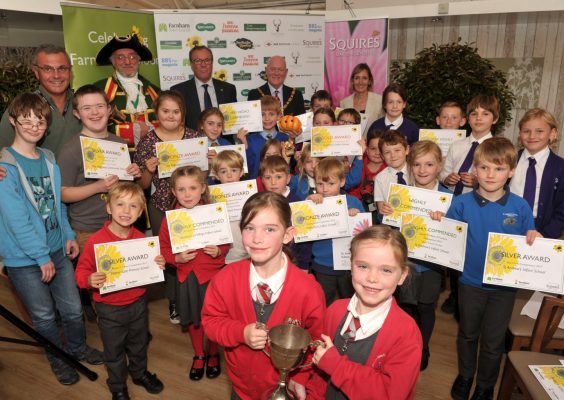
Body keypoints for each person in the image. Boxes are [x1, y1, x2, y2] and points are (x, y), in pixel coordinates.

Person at [0, 92, 102, 386]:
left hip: (57, 248)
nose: (34, 126)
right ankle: (59, 358)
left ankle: (78, 348)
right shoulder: (6, 168)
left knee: (71, 309)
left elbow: (57, 203)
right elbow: (15, 218)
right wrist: (41, 256)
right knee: (44, 317)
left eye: (40, 121)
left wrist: (69, 235)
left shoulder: (48, 158)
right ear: (13, 122)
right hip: (26, 257)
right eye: (26, 121)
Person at [433, 137, 540, 400]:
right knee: (467, 334)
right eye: (484, 168)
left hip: (504, 288)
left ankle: (485, 384)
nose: (490, 174)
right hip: (469, 283)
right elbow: (447, 241)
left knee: (493, 342)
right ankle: (466, 375)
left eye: (499, 168)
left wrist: (534, 238)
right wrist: (437, 222)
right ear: (474, 170)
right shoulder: (460, 204)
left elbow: (529, 239)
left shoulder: (520, 206)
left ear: (511, 171)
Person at [202, 191, 326, 399]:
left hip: (286, 389)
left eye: (269, 229)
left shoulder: (308, 290)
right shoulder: (225, 279)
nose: (257, 238)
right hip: (241, 386)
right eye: (249, 228)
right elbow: (211, 322)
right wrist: (241, 333)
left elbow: (316, 341)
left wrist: (301, 378)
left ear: (287, 235)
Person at [307, 225, 422, 399]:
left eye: (386, 270)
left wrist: (337, 366)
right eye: (363, 266)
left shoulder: (406, 333)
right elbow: (319, 369)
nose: (372, 278)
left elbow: (390, 394)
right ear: (351, 266)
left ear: (402, 275)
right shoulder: (335, 310)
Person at [75, 182, 165, 400]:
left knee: (139, 343)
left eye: (133, 206)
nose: (126, 211)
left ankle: (139, 373)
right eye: (120, 204)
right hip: (109, 308)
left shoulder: (143, 241)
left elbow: (150, 268)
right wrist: (88, 279)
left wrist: (158, 263)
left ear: (141, 212)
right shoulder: (96, 241)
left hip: (138, 303)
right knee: (113, 351)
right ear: (109, 208)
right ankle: (117, 385)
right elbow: (81, 272)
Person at [133, 90, 198, 324]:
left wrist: (208, 161)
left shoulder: (193, 136)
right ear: (157, 113)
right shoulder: (149, 142)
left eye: (176, 111)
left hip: (191, 207)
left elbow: (202, 177)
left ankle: (193, 296)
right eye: (165, 111)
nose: (171, 116)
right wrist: (148, 170)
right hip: (162, 207)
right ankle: (174, 300)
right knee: (170, 256)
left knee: (193, 253)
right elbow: (141, 185)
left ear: (183, 114)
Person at [159, 166, 229, 381]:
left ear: (203, 188)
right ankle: (199, 354)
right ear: (173, 192)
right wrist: (175, 259)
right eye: (181, 189)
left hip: (212, 276)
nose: (187, 194)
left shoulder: (214, 213)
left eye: (192, 188)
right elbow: (163, 248)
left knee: (214, 317)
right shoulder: (169, 220)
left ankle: (213, 352)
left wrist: (219, 251)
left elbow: (225, 242)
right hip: (186, 277)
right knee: (193, 319)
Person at [58, 85, 142, 255]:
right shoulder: (71, 149)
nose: (94, 112)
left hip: (123, 226)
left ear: (109, 109)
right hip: (89, 230)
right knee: (95, 279)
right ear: (76, 113)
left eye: (99, 106)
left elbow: (126, 187)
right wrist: (98, 187)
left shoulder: (120, 144)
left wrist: (134, 174)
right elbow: (63, 193)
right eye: (87, 108)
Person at [403, 140, 451, 371]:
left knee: (426, 307)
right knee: (406, 307)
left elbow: (456, 233)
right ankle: (405, 346)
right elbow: (392, 228)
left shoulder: (448, 198)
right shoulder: (402, 194)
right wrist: (388, 213)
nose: (423, 170)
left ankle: (423, 347)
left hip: (432, 265)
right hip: (407, 263)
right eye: (418, 164)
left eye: (429, 164)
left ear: (439, 165)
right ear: (410, 166)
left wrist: (446, 221)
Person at [0, 44, 81, 155]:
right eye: (48, 69)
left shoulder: (84, 103)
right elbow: (3, 152)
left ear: (70, 71)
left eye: (62, 68)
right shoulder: (23, 106)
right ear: (36, 72)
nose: (56, 75)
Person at [308, 157, 364, 305]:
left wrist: (355, 215)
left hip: (348, 264)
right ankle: (323, 328)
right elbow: (303, 225)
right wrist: (308, 203)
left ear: (342, 181)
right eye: (320, 184)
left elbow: (366, 232)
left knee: (350, 302)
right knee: (322, 302)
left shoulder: (354, 202)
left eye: (331, 183)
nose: (325, 189)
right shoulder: (313, 202)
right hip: (322, 264)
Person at [94, 27, 161, 147]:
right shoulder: (99, 90)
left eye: (132, 57)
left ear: (139, 60)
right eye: (120, 57)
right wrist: (131, 131)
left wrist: (151, 130)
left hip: (152, 158)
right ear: (112, 62)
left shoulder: (155, 91)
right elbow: (92, 127)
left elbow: (167, 123)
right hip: (116, 158)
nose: (127, 62)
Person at [509, 108, 564, 239]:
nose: (532, 136)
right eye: (526, 131)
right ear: (520, 134)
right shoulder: (508, 161)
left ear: (552, 133)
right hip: (506, 225)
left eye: (539, 131)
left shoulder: (561, 168)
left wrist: (546, 234)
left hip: (542, 232)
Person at [436, 101, 467, 317]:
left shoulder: (463, 145)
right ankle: (440, 284)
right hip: (438, 196)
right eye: (444, 117)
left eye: (453, 117)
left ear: (462, 121)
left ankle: (457, 296)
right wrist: (447, 177)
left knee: (461, 249)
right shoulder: (429, 139)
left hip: (461, 201)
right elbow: (441, 174)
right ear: (437, 120)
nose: (448, 122)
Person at [440, 95, 499, 196]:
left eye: (485, 114)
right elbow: (444, 172)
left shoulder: (498, 150)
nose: (478, 118)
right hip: (452, 200)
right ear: (468, 119)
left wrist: (479, 183)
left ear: (495, 119)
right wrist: (446, 179)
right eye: (474, 114)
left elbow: (500, 180)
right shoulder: (456, 146)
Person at [171, 45, 237, 132]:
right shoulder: (179, 91)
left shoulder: (228, 89)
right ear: (191, 65)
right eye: (198, 61)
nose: (203, 65)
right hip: (192, 142)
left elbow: (233, 121)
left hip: (223, 143)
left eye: (207, 60)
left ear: (212, 63)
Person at [209, 150, 248, 264]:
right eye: (223, 171)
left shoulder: (250, 194)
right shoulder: (211, 199)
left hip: (249, 252)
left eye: (234, 170)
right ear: (216, 175)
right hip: (226, 257)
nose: (229, 175)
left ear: (241, 172)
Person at [237, 95, 288, 179]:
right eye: (262, 114)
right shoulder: (249, 140)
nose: (267, 118)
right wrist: (244, 145)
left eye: (271, 114)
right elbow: (247, 168)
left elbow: (288, 166)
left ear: (279, 116)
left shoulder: (284, 138)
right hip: (256, 186)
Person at [348, 128, 386, 219]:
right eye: (373, 149)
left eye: (381, 149)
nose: (377, 153)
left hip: (380, 212)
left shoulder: (389, 170)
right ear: (367, 150)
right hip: (357, 210)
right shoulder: (358, 164)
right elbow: (350, 187)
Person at [374, 130, 410, 219]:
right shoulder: (380, 178)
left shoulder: (417, 171)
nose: (393, 155)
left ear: (407, 150)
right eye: (387, 152)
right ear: (382, 156)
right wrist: (383, 210)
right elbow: (380, 208)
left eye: (397, 150)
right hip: (393, 224)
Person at [339, 63, 383, 136]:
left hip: (372, 145)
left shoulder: (379, 101)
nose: (360, 82)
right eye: (357, 78)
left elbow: (383, 126)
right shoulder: (344, 103)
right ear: (352, 81)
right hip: (349, 145)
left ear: (369, 81)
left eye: (364, 78)